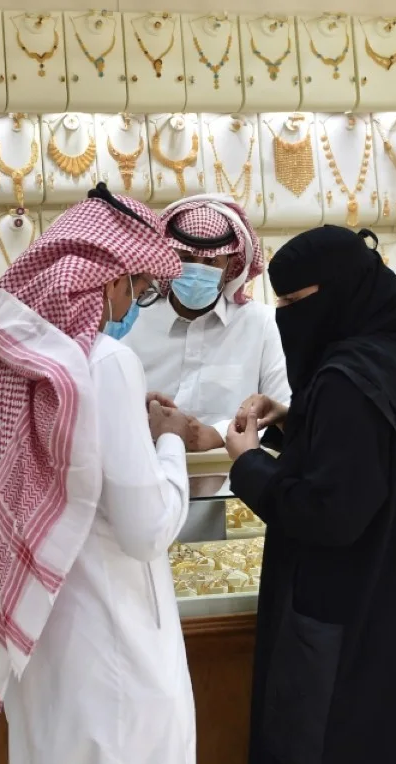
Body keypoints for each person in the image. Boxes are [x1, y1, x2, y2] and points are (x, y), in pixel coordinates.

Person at [0, 185, 196, 764]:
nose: (137, 303)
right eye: (139, 288)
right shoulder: (105, 362)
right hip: (119, 640)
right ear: (108, 279)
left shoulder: (2, 354)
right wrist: (169, 444)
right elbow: (144, 529)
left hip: (46, 632)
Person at [223, 226, 396, 764]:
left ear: (335, 294)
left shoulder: (345, 381)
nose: (284, 317)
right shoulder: (393, 364)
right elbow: (360, 463)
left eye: (293, 303)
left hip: (346, 642)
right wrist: (292, 419)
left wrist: (247, 464)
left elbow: (328, 513)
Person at [123, 195, 290, 541]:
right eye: (185, 258)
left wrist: (214, 434)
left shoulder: (261, 325)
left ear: (231, 264)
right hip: (137, 499)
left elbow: (285, 411)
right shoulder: (131, 319)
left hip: (236, 504)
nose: (197, 268)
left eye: (210, 260)